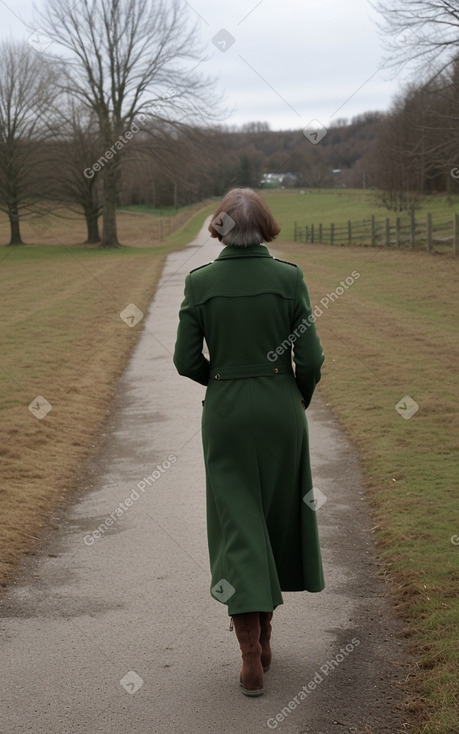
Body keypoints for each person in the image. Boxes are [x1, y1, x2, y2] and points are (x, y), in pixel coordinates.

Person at [173, 188, 325, 696]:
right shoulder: (289, 278)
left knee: (239, 525)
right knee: (277, 519)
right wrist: (294, 396)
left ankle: (249, 655)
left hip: (226, 413)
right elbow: (313, 357)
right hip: (282, 409)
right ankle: (265, 639)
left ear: (219, 229)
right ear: (266, 226)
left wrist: (223, 383)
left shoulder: (201, 284)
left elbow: (186, 361)